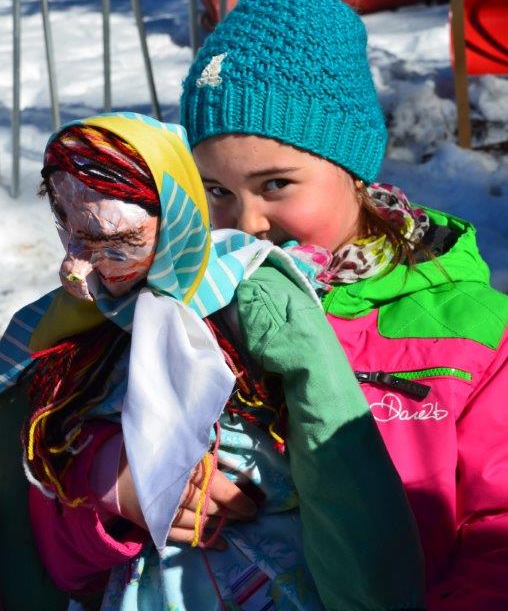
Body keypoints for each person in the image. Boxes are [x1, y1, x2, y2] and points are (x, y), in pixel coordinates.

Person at [0, 112, 425, 611]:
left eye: (117, 240)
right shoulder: (70, 329)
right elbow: (26, 490)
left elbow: (339, 459)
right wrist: (102, 476)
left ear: (176, 211)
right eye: (67, 228)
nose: (77, 264)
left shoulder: (251, 300)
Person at [178, 0, 508, 611]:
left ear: (354, 172)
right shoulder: (186, 307)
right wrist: (128, 492)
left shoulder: (472, 335)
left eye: (275, 185)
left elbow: (498, 530)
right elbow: (57, 496)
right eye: (216, 190)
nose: (246, 223)